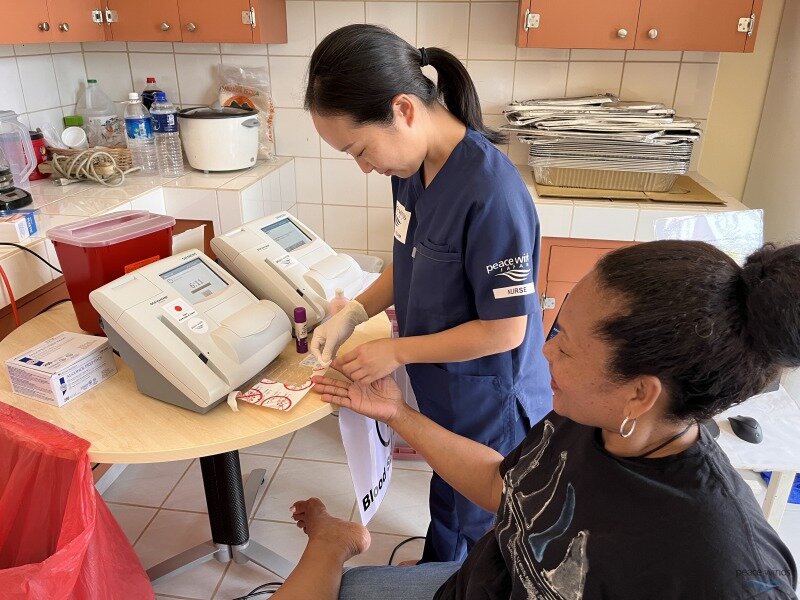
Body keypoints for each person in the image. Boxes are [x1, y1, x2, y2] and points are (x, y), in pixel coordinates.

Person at [272, 240, 800, 599]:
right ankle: (336, 542)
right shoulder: (594, 419)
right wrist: (397, 413)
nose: (545, 354)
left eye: (565, 346)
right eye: (556, 329)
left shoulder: (725, 569)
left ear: (640, 393)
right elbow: (508, 488)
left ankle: (333, 543)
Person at [304, 23, 553, 563]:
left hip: (490, 395)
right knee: (449, 498)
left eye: (360, 149)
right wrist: (353, 313)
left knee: (479, 523)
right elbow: (410, 258)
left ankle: (450, 578)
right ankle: (437, 570)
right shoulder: (412, 168)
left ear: (404, 110)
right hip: (445, 387)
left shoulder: (493, 195)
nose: (365, 166)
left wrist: (397, 351)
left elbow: (506, 328)